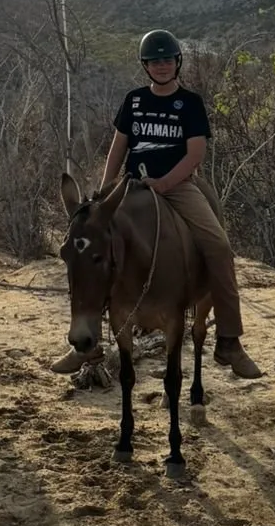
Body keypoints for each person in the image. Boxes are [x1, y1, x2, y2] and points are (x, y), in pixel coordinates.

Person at [52, 29, 262, 379]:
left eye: (167, 60)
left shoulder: (189, 103)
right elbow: (119, 147)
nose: (161, 66)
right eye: (154, 61)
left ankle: (230, 340)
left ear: (177, 63)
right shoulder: (134, 101)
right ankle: (85, 344)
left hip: (177, 186)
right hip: (130, 188)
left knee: (219, 247)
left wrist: (164, 183)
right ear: (145, 66)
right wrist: (105, 194)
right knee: (87, 252)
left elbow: (195, 154)